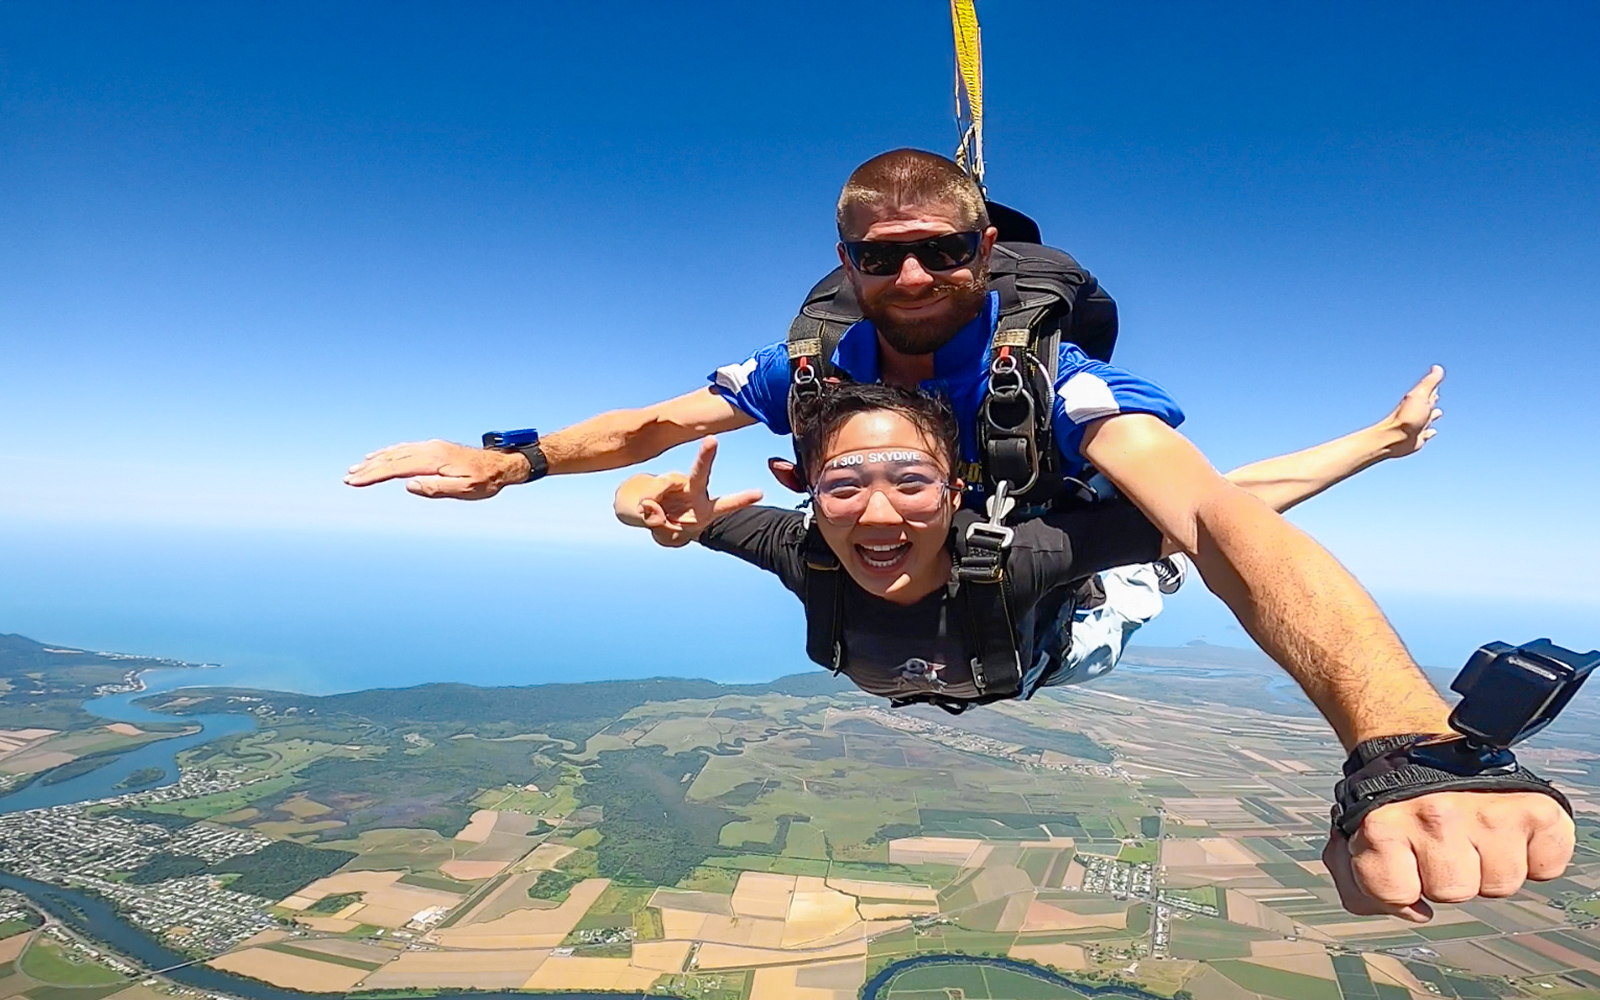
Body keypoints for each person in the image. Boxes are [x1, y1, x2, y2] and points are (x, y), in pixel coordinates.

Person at [344, 149, 1574, 919]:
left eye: (946, 250)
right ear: (848, 263)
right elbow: (659, 429)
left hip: (1043, 601)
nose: (918, 273)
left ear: (988, 252)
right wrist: (522, 458)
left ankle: (1369, 445)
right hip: (940, 571)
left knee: (1163, 534)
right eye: (887, 256)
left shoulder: (1061, 381)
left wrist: (1400, 736)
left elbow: (1212, 516)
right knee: (1138, 527)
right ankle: (1367, 446)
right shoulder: (806, 374)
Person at [616, 371, 1448, 695]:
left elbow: (1220, 510)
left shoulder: (1020, 556)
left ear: (954, 492)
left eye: (911, 483)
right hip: (991, 660)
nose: (875, 514)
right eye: (844, 485)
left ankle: (1137, 573)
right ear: (802, 489)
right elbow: (644, 495)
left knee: (1157, 540)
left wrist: (1380, 442)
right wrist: (647, 501)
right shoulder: (801, 548)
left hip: (1074, 640)